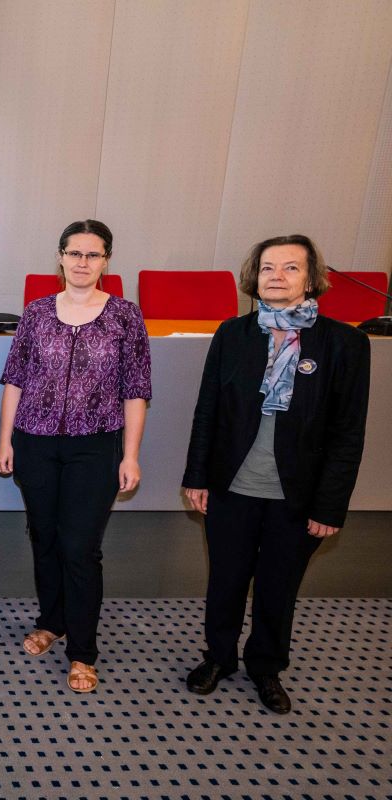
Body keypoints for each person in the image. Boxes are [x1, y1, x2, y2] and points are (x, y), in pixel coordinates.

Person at [182, 234, 370, 714]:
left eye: (290, 268)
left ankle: (266, 667)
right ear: (255, 276)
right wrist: (196, 476)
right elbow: (207, 411)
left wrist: (330, 506)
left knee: (278, 587)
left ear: (311, 278)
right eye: (268, 268)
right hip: (232, 485)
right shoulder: (233, 334)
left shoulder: (344, 343)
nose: (277, 277)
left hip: (298, 494)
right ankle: (219, 658)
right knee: (225, 580)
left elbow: (348, 433)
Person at [0, 219, 151, 693]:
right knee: (44, 538)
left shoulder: (125, 316)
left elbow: (136, 391)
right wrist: (5, 440)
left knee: (80, 547)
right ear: (60, 257)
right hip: (35, 442)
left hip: (96, 445)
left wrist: (131, 455)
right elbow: (15, 380)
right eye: (74, 253)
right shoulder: (37, 313)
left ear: (107, 261)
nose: (83, 262)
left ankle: (83, 651)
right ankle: (52, 621)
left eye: (93, 254)